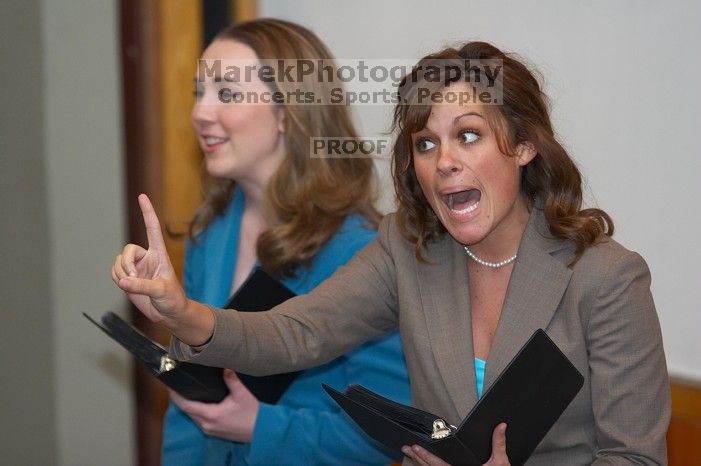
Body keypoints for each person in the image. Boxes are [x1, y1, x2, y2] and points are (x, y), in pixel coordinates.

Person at [112, 41, 670, 465]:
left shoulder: (607, 278)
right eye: (425, 143)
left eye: (468, 135)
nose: (443, 160)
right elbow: (295, 333)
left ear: (524, 146)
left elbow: (636, 457)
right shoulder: (408, 250)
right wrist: (181, 311)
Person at [127, 18, 410, 466]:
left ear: (287, 112)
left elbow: (389, 433)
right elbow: (190, 399)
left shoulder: (360, 253)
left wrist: (261, 427)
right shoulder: (212, 231)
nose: (201, 112)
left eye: (228, 92)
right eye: (200, 91)